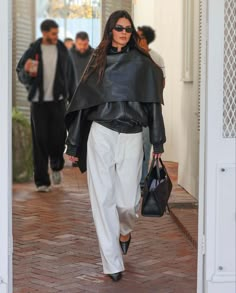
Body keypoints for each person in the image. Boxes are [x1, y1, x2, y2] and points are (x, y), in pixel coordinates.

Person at [65, 10, 166, 282]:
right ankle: (112, 263)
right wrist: (73, 146)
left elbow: (154, 104)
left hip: (132, 136)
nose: (123, 32)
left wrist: (158, 140)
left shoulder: (143, 64)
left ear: (132, 33)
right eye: (119, 27)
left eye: (128, 29)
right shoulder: (97, 63)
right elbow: (82, 106)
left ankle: (124, 230)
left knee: (128, 202)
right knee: (103, 199)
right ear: (110, 30)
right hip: (101, 134)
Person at [16, 19, 72, 192]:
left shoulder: (62, 49)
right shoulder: (33, 50)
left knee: (58, 138)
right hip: (39, 102)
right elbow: (21, 72)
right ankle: (41, 181)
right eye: (53, 33)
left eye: (57, 33)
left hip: (58, 101)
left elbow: (70, 74)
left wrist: (72, 97)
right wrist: (26, 72)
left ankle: (56, 166)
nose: (56, 36)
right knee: (39, 141)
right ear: (45, 33)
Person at [137, 25, 166, 188]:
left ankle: (141, 181)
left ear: (145, 40)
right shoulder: (130, 57)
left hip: (148, 112)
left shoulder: (157, 58)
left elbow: (162, 84)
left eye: (139, 37)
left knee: (146, 148)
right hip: (132, 112)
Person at [68, 31, 94, 101]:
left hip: (90, 94)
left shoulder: (94, 55)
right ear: (75, 43)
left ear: (88, 42)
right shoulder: (68, 55)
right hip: (72, 95)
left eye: (85, 44)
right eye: (80, 44)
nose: (82, 47)